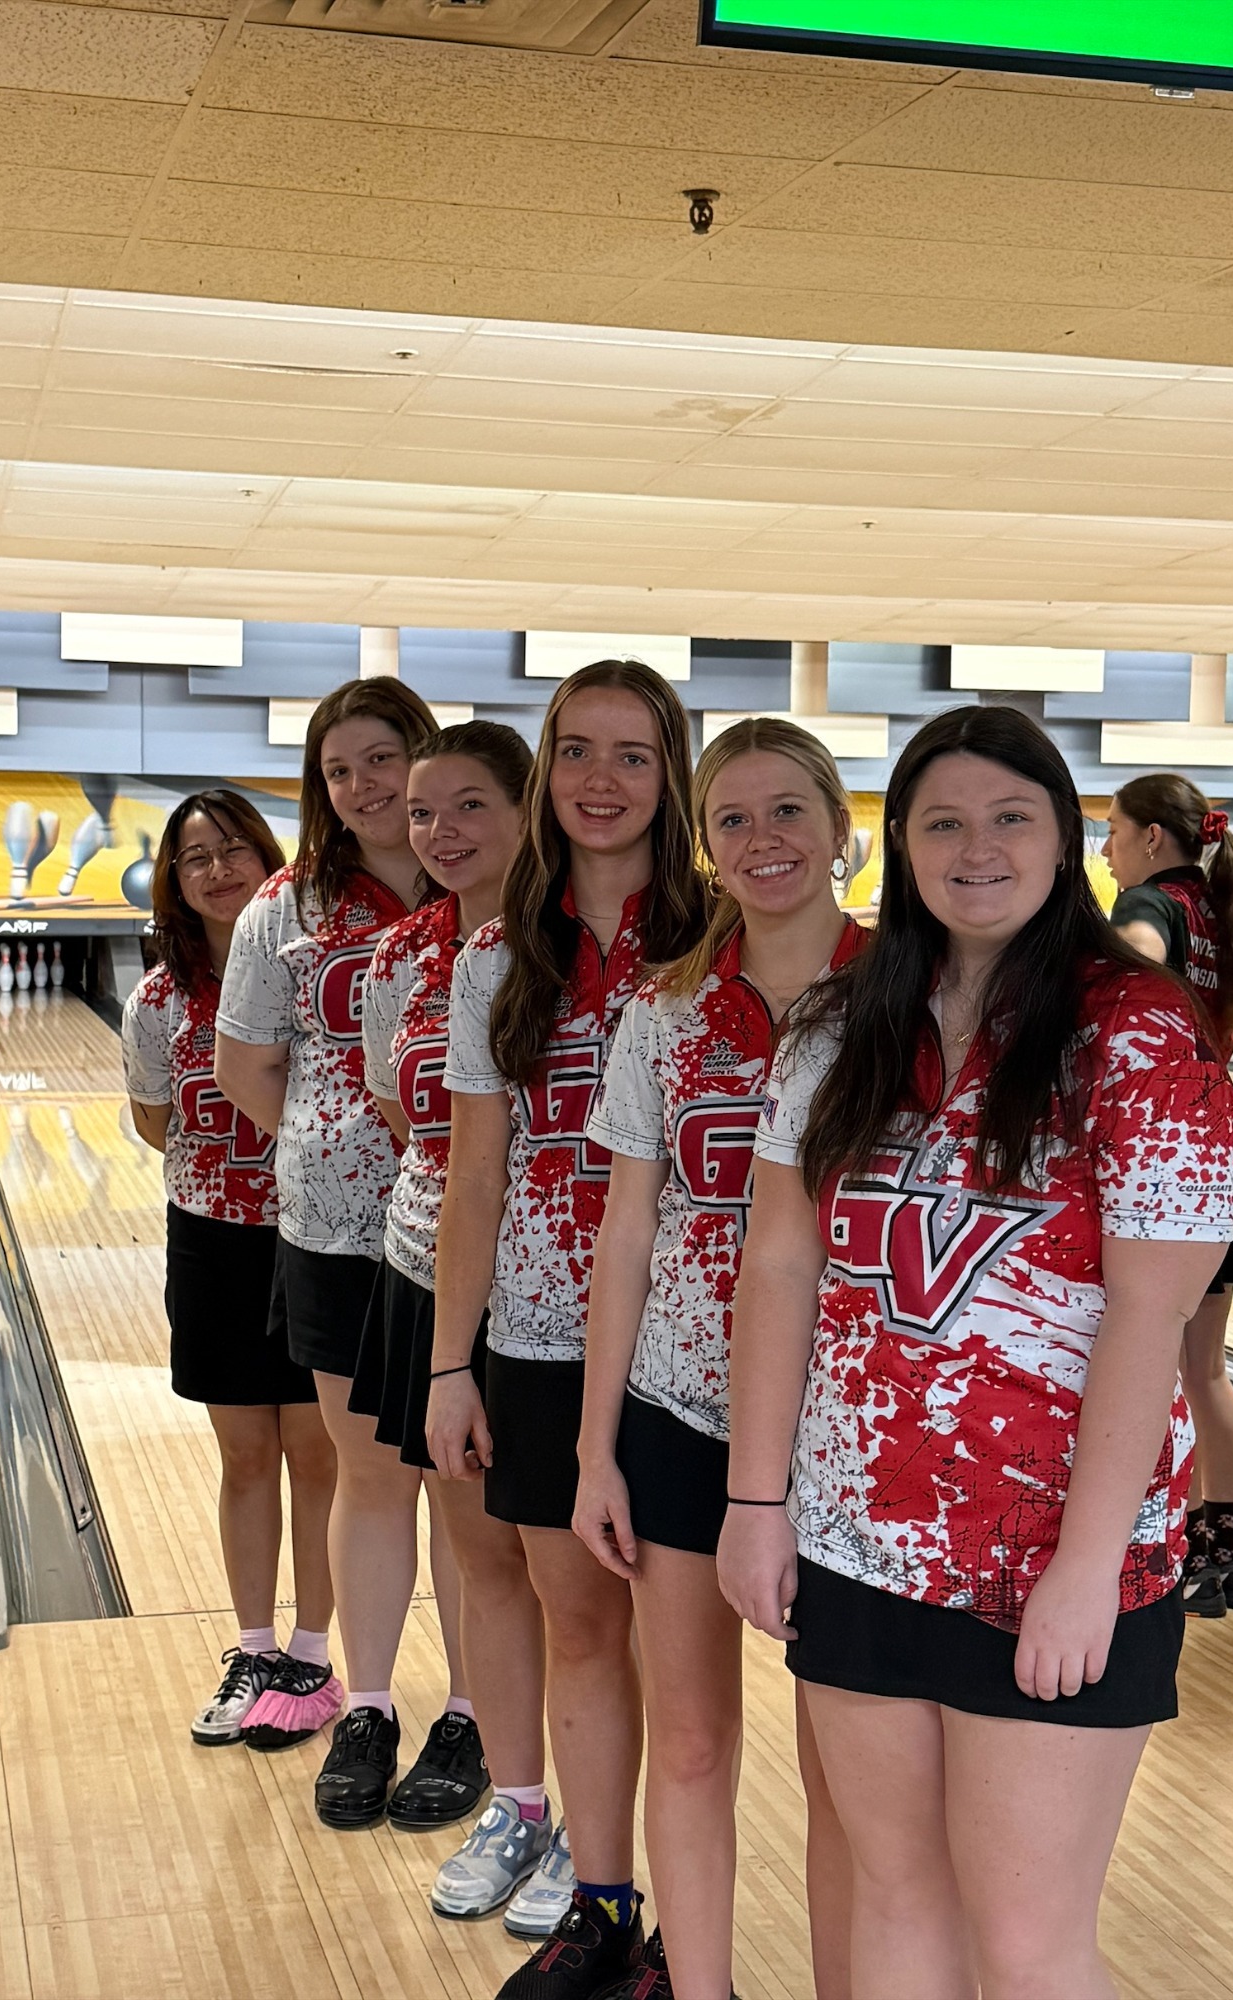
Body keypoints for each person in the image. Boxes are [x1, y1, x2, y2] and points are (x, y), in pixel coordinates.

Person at [719, 705, 1233, 2000]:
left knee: (1025, 1944)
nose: (976, 848)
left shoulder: (1141, 1035)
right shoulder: (840, 1030)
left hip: (1052, 1558)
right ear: (899, 845)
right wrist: (755, 1501)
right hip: (853, 1539)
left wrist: (1081, 1568)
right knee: (897, 1899)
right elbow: (782, 1266)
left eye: (1011, 817)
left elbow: (1149, 1317)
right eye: (944, 822)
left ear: (1065, 838)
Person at [426, 660, 706, 1987]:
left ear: (675, 776)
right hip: (537, 1335)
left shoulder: (720, 938)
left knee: (688, 1660)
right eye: (577, 751)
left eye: (634, 755)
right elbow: (475, 1171)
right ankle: (605, 1896)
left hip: (694, 1356)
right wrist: (448, 1363)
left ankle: (695, 1927)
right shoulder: (499, 957)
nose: (602, 781)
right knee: (579, 1624)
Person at [574, 719, 860, 2000]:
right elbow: (624, 1230)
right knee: (689, 1741)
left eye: (789, 810)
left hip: (857, 1434)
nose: (764, 840)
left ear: (844, 826)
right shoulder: (664, 1010)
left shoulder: (918, 995)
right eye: (734, 818)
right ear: (704, 842)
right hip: (680, 1412)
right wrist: (594, 1447)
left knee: (845, 1773)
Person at [214, 678, 472, 1802]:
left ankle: (470, 1714)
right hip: (328, 1231)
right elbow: (243, 1066)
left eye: (385, 759)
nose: (366, 786)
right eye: (339, 769)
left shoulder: (492, 894)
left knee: (462, 1481)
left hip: (468, 1234)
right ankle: (368, 1704)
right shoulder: (287, 906)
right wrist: (335, 1146)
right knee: (370, 1474)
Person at [348, 722, 553, 1881]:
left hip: (571, 1296)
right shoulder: (400, 956)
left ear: (530, 810)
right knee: (482, 1551)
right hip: (432, 1272)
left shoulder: (575, 951)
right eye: (424, 813)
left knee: (571, 1579)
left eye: (470, 805)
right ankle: (514, 1788)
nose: (440, 832)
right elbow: (405, 1114)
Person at [122, 789, 337, 1745]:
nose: (217, 869)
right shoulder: (155, 1001)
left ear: (268, 856)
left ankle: (313, 1653)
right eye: (195, 856)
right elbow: (153, 1121)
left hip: (313, 1241)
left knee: (320, 1456)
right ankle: (254, 1648)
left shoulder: (304, 972)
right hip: (212, 1244)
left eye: (234, 849)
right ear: (174, 878)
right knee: (246, 1456)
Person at [1103, 774, 1233, 1618]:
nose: (1105, 849)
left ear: (1153, 842)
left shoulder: (1153, 904)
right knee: (1205, 1371)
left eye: (1113, 831)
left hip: (1163, 1166)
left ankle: (1167, 1543)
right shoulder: (1217, 909)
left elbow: (1138, 948)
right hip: (1217, 1154)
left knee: (1154, 1370)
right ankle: (1223, 1557)